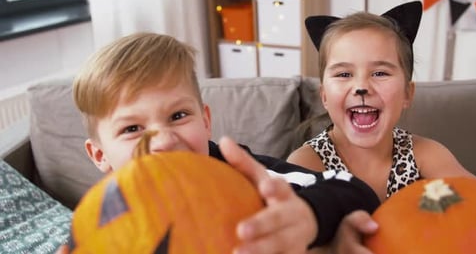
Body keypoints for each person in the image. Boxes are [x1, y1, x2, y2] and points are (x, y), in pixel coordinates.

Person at [61, 32, 380, 253]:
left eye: (177, 116)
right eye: (132, 127)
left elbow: (356, 191)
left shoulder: (242, 175)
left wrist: (308, 216)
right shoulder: (105, 213)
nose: (163, 139)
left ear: (206, 120)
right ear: (100, 154)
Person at [287, 1, 476, 253]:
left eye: (380, 73)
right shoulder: (307, 163)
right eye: (344, 74)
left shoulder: (424, 154)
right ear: (324, 96)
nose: (361, 87)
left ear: (407, 94)